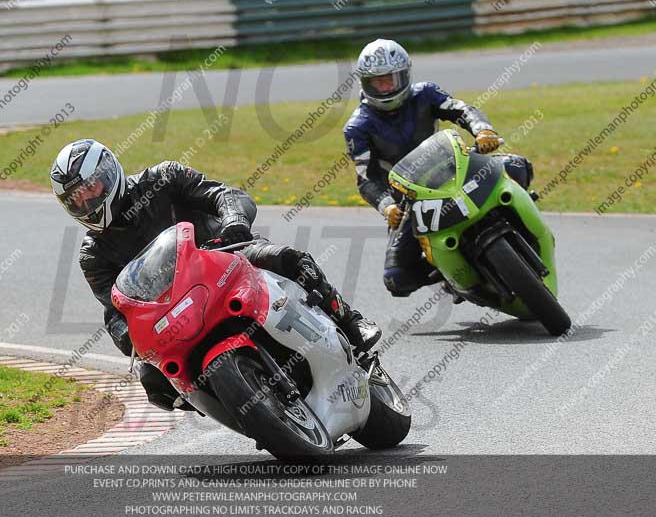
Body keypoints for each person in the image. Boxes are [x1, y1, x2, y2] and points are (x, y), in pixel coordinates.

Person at [50, 139, 382, 411]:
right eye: (75, 198)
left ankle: (351, 323)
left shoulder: (163, 178)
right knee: (154, 382)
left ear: (109, 173)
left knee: (287, 259)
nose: (86, 201)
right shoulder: (93, 254)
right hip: (172, 310)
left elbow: (226, 196)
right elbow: (115, 308)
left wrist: (234, 223)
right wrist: (127, 335)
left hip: (226, 258)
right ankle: (238, 406)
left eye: (89, 188)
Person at [344, 39, 534, 297]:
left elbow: (462, 110)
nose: (386, 87)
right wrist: (386, 205)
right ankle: (450, 274)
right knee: (397, 278)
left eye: (391, 79)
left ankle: (523, 228)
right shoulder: (358, 127)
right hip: (410, 199)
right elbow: (366, 179)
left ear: (405, 76)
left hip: (455, 169)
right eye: (378, 82)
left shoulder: (425, 93)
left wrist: (483, 131)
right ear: (364, 84)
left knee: (518, 166)